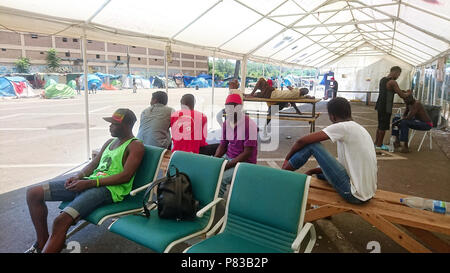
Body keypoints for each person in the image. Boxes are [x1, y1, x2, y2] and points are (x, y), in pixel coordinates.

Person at [25, 109, 144, 253]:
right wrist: (78, 176)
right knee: (33, 193)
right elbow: (93, 164)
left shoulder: (135, 146)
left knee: (60, 222)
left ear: (126, 126)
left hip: (108, 190)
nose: (110, 126)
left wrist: (90, 183)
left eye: (114, 124)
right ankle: (43, 241)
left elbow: (126, 176)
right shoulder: (109, 142)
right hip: (89, 183)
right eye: (110, 123)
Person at [282, 97, 377, 204]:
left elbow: (301, 141)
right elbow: (344, 166)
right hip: (368, 194)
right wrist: (311, 171)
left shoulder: (343, 127)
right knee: (319, 171)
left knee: (313, 145)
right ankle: (323, 202)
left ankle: (282, 175)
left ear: (333, 116)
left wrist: (287, 158)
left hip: (353, 195)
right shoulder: (360, 129)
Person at [214, 94, 258, 198]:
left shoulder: (250, 125)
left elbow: (247, 153)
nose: (228, 111)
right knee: (210, 171)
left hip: (245, 163)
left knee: (221, 179)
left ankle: (215, 208)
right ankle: (211, 199)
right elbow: (223, 145)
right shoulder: (226, 124)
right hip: (229, 158)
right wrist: (215, 160)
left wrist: (227, 165)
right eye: (227, 108)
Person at [374, 66, 411, 151]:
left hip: (379, 105)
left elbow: (393, 90)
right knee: (383, 126)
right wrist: (408, 93)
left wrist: (403, 91)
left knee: (380, 125)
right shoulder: (393, 82)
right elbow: (402, 95)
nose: (398, 77)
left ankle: (376, 142)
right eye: (398, 74)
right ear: (395, 72)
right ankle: (379, 145)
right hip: (386, 107)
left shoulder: (383, 80)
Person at [245, 77, 310, 100]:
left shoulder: (297, 91)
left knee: (261, 80)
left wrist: (285, 82)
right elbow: (305, 97)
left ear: (301, 89)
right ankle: (250, 94)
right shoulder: (298, 96)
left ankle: (251, 94)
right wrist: (308, 96)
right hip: (271, 95)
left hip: (272, 92)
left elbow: (288, 87)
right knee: (260, 91)